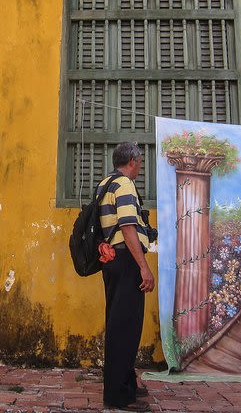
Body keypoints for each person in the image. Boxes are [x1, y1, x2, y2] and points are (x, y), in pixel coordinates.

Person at [97, 142, 154, 412]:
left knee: (119, 322)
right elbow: (128, 227)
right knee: (126, 326)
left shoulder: (106, 183)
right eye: (140, 161)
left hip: (112, 260)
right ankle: (118, 395)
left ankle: (125, 384)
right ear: (133, 160)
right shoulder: (125, 185)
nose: (140, 166)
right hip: (126, 259)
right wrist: (143, 266)